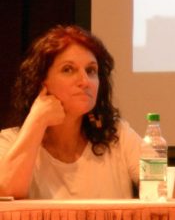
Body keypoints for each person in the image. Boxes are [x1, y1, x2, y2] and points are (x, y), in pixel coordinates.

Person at [0, 25, 146, 199]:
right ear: (41, 82)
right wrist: (37, 121)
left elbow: (169, 195)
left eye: (91, 70)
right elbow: (7, 195)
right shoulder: (10, 141)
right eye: (68, 69)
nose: (85, 81)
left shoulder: (118, 135)